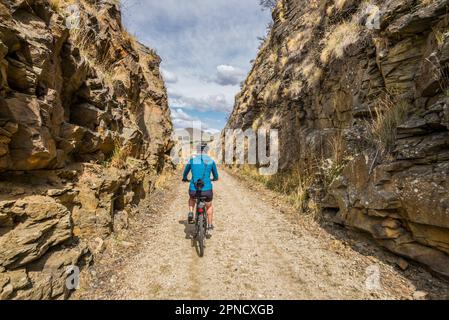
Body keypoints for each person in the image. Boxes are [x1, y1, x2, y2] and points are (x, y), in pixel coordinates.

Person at [182, 143, 219, 232]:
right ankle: (210, 225)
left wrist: (184, 178)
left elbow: (185, 173)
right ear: (206, 150)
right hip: (207, 190)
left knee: (192, 198)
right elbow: (216, 176)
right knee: (209, 206)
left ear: (197, 150)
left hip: (194, 190)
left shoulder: (192, 160)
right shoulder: (211, 161)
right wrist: (214, 178)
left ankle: (191, 212)